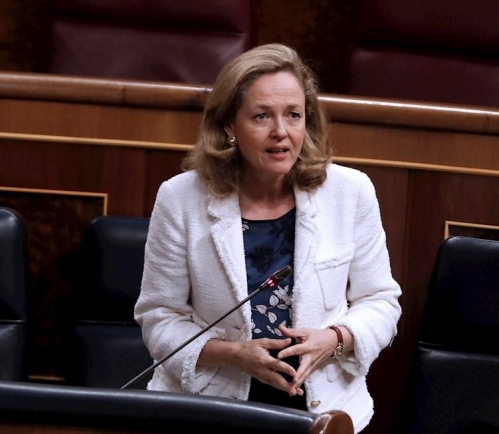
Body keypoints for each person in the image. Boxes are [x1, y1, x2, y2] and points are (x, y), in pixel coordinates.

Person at [133, 43, 402, 433]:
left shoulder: (350, 192)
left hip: (321, 409)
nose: (281, 132)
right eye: (262, 116)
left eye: (293, 115)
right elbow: (159, 317)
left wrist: (336, 339)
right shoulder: (180, 199)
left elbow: (380, 301)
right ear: (229, 124)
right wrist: (233, 355)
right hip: (207, 404)